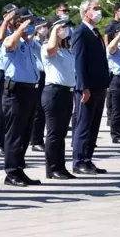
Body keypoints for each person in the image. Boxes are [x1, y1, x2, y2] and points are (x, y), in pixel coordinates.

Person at [1, 7, 41, 187]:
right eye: (28, 22)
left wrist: (27, 37)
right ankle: (11, 173)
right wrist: (19, 31)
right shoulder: (11, 40)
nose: (31, 25)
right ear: (19, 23)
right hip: (16, 93)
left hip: (30, 91)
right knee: (14, 135)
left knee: (25, 134)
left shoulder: (28, 44)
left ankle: (19, 168)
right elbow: (9, 44)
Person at [71, 0, 109, 175]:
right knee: (84, 124)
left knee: (94, 125)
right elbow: (79, 61)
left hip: (99, 85)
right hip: (87, 87)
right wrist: (83, 86)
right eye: (95, 8)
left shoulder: (95, 32)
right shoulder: (80, 32)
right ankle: (79, 160)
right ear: (86, 12)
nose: (98, 11)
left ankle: (88, 159)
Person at [41, 16, 76, 180]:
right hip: (54, 92)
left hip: (68, 92)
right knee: (54, 133)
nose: (65, 29)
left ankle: (60, 166)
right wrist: (55, 29)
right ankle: (52, 168)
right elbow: (51, 49)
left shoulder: (67, 50)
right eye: (62, 27)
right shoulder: (47, 47)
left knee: (62, 133)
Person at [0, 4, 18, 158]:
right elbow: (1, 38)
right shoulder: (0, 30)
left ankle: (7, 143)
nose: (14, 17)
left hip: (11, 74)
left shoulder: (14, 31)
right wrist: (5, 22)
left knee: (9, 111)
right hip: (0, 73)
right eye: (11, 14)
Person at [30, 17, 49, 152]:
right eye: (42, 26)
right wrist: (34, 30)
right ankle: (35, 140)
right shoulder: (33, 41)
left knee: (42, 111)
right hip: (37, 75)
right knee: (37, 110)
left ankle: (39, 138)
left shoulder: (46, 42)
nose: (44, 28)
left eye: (46, 26)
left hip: (46, 76)